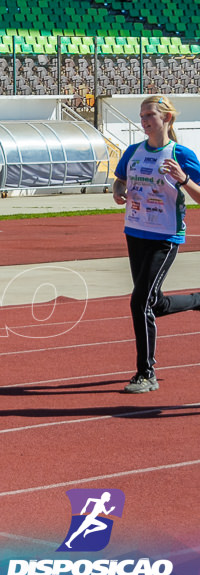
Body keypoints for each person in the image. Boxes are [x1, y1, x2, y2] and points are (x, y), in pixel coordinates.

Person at [112, 95, 200, 393]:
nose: (144, 120)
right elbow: (120, 179)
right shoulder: (133, 151)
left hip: (164, 237)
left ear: (167, 119)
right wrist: (118, 189)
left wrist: (184, 179)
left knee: (139, 302)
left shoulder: (181, 154)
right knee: (154, 303)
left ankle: (145, 373)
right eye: (141, 115)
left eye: (150, 115)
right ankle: (198, 300)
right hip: (135, 232)